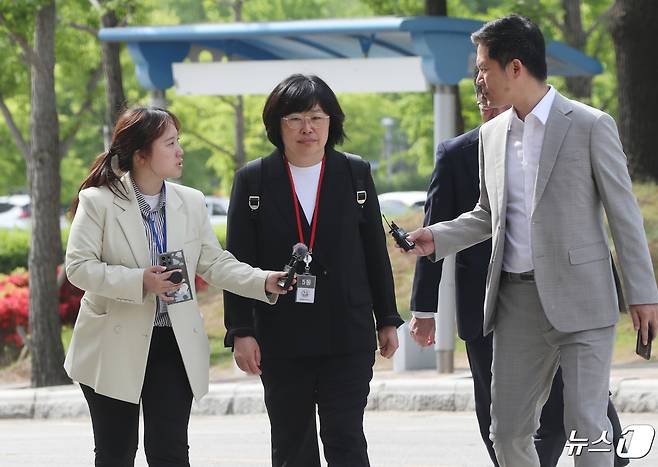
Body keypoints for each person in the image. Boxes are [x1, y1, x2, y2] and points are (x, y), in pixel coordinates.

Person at [404, 15, 658, 467]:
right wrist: (436, 237)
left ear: (515, 67)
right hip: (516, 302)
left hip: (583, 297)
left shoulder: (590, 125)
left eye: (483, 67)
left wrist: (642, 294)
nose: (478, 78)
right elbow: (488, 215)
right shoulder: (491, 135)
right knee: (506, 431)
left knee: (588, 424)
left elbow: (625, 218)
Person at [64, 106, 291, 467]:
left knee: (170, 454)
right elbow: (78, 268)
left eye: (178, 142)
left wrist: (264, 280)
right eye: (170, 143)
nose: (179, 150)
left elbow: (214, 262)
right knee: (115, 453)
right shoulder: (99, 202)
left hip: (173, 343)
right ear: (141, 155)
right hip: (112, 343)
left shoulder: (191, 201)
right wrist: (141, 280)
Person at [224, 73, 404, 467]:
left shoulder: (355, 174)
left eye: (317, 118)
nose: (307, 128)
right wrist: (241, 330)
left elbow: (374, 252)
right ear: (277, 125)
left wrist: (387, 319)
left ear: (331, 124)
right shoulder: (253, 180)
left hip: (347, 332)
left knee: (346, 440)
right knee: (291, 445)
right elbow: (237, 263)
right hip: (280, 335)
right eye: (295, 119)